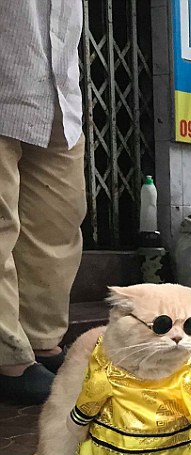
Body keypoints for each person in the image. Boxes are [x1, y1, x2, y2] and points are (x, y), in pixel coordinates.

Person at [0, 2, 86, 405]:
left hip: (56, 89)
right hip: (6, 70)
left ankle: (40, 342)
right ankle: (6, 358)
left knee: (57, 223)